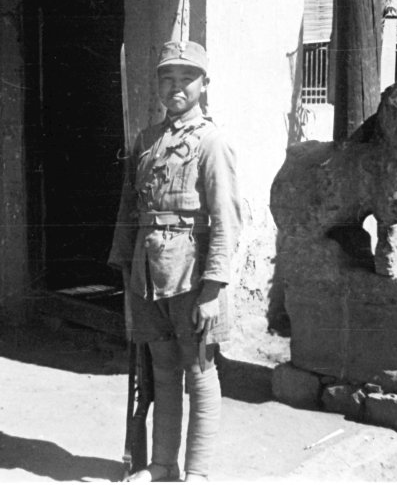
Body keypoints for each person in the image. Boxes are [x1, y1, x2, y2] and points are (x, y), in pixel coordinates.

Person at [109, 41, 242, 481]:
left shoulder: (212, 142)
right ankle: (163, 465)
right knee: (163, 373)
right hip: (148, 276)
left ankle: (198, 473)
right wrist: (126, 273)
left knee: (200, 373)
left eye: (187, 78)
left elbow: (226, 219)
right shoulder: (146, 140)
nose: (176, 87)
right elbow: (130, 211)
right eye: (168, 78)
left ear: (204, 84)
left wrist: (214, 289)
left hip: (192, 276)